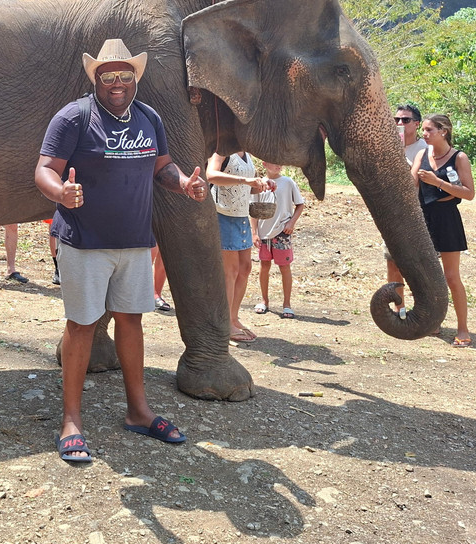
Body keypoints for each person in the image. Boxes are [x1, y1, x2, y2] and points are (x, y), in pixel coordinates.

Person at [35, 38, 207, 463]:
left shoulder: (149, 118)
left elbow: (162, 167)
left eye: (124, 76)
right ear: (96, 78)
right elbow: (44, 169)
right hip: (85, 242)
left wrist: (184, 184)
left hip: (134, 242)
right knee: (82, 326)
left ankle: (138, 411)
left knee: (131, 321)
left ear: (135, 79)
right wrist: (61, 193)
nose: (117, 83)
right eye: (108, 75)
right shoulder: (74, 117)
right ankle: (71, 421)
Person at [411, 113, 475, 347]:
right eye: (424, 130)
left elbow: (469, 193)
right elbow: (411, 186)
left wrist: (437, 182)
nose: (424, 134)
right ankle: (434, 321)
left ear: (443, 131)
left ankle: (463, 329)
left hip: (447, 218)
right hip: (423, 218)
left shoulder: (459, 158)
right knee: (428, 274)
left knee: (451, 277)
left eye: (429, 130)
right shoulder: (422, 154)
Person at [206, 151, 274, 341]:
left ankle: (233, 318)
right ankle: (225, 324)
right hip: (223, 215)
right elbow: (211, 175)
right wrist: (245, 180)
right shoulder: (221, 150)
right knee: (230, 271)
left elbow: (246, 188)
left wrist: (261, 185)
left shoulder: (247, 155)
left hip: (241, 215)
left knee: (245, 268)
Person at [386, 103, 429, 317]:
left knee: (421, 266)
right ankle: (399, 309)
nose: (400, 123)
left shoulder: (425, 148)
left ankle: (427, 311)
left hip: (419, 213)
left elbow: (415, 183)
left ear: (417, 124)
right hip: (393, 212)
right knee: (392, 262)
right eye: (397, 120)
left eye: (405, 120)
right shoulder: (389, 146)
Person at [250, 162, 305, 319]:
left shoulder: (288, 182)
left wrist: (291, 223)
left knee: (284, 267)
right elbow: (253, 210)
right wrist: (254, 233)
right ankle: (264, 301)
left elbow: (300, 205)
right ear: (264, 163)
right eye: (274, 162)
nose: (278, 165)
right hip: (263, 234)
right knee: (264, 265)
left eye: (280, 162)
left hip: (282, 232)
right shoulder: (258, 184)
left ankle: (287, 304)